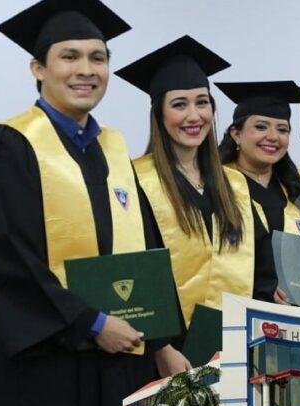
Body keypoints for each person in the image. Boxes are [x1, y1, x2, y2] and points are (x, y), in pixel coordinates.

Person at [0, 0, 161, 406]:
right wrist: (89, 322)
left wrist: (160, 341)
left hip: (116, 361)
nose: (86, 70)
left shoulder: (113, 148)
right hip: (45, 368)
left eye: (98, 57)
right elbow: (1, 257)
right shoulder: (9, 144)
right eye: (69, 57)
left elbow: (146, 251)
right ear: (38, 68)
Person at [115, 37, 279, 375]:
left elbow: (262, 271)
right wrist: (162, 348)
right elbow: (134, 271)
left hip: (235, 350)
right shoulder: (135, 181)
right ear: (159, 113)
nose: (194, 116)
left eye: (202, 103)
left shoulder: (235, 185)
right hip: (165, 358)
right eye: (179, 104)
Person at [215, 81, 300, 237]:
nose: (273, 137)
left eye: (282, 129)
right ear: (236, 134)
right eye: (261, 127)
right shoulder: (216, 184)